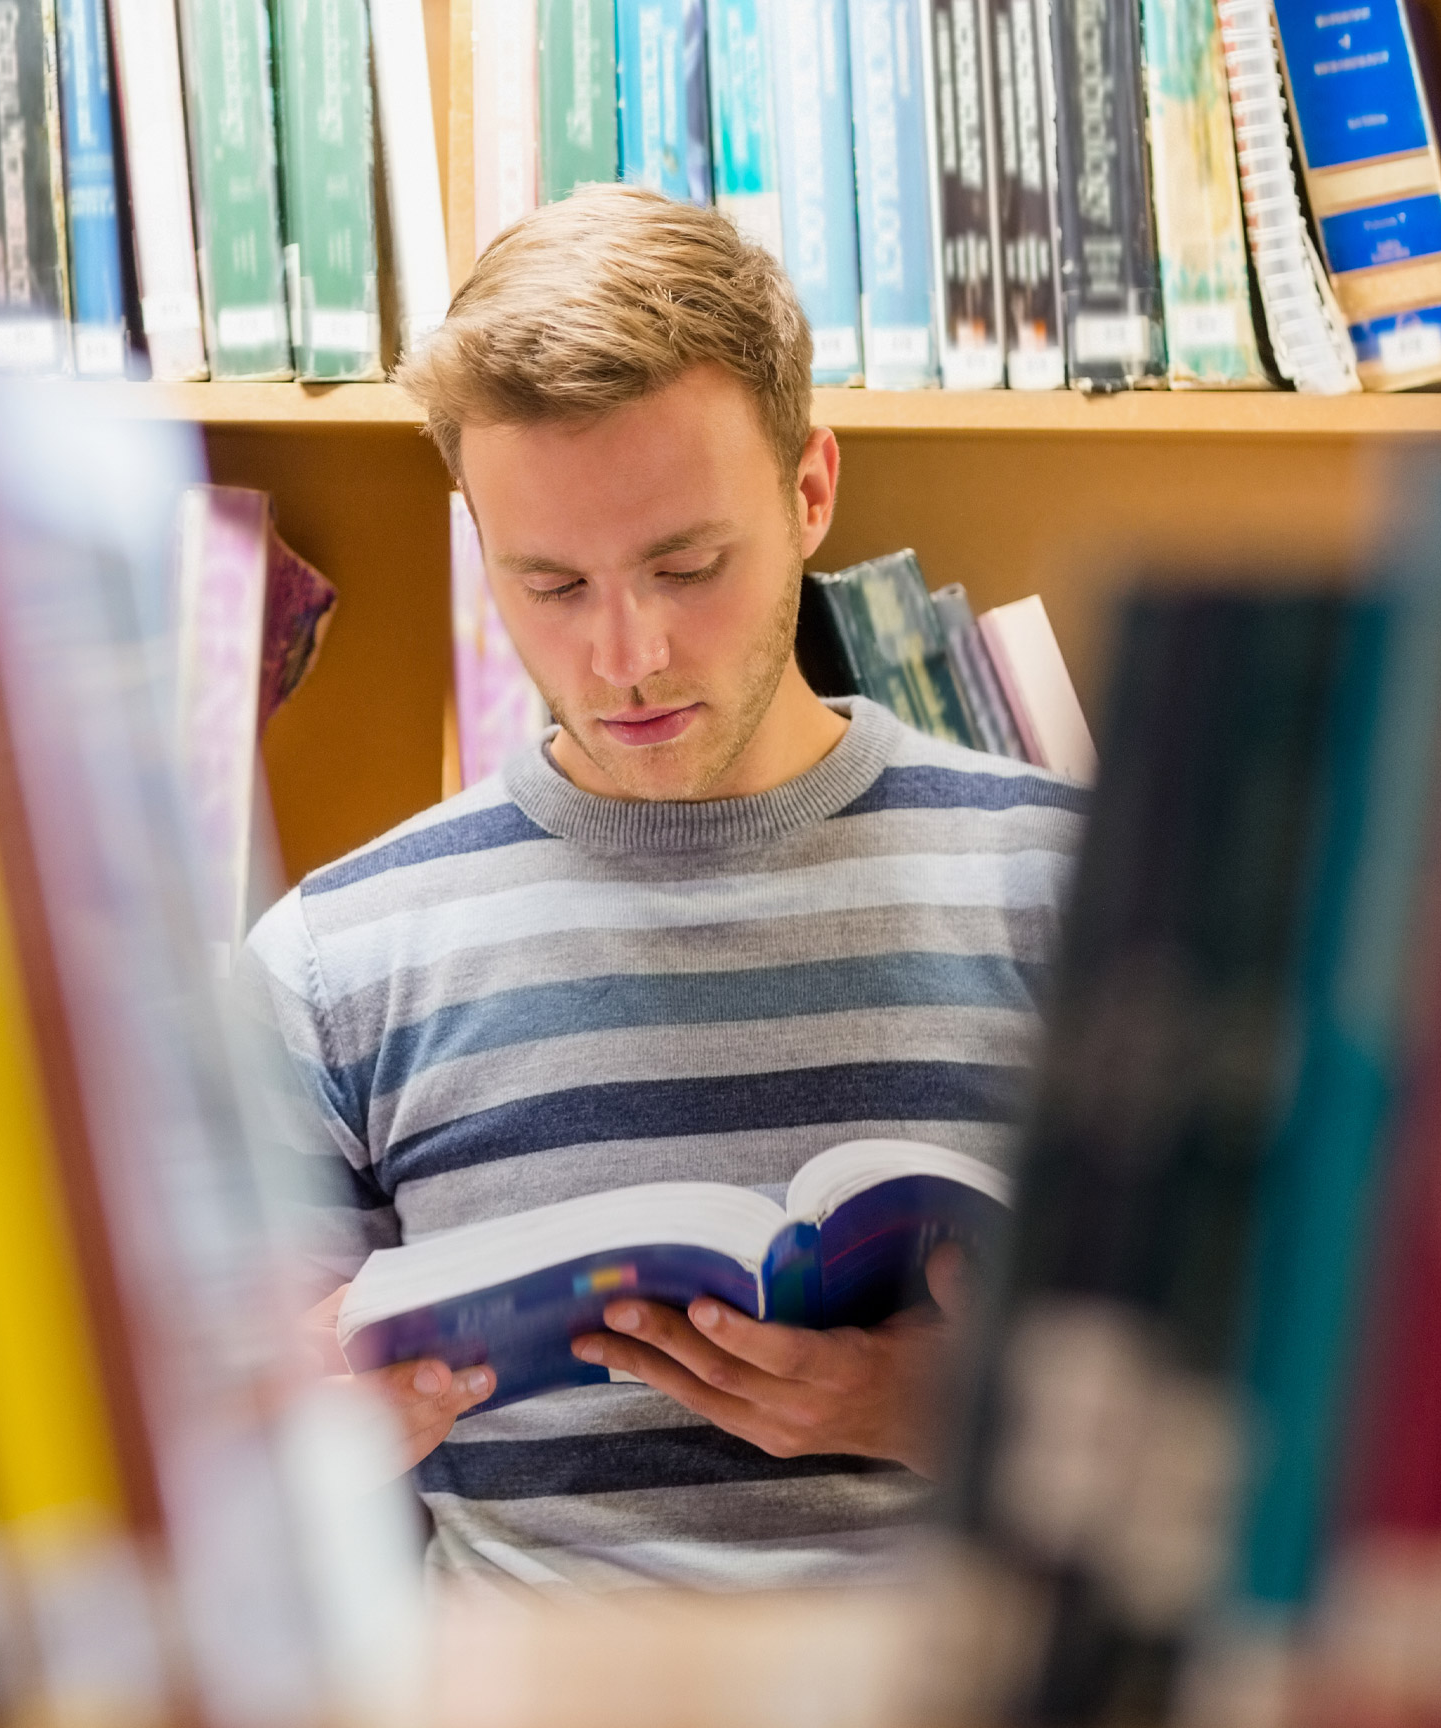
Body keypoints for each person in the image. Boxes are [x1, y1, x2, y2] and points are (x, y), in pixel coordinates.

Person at [246, 184, 1084, 1589]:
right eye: (550, 585)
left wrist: (954, 1416)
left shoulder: (1066, 887)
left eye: (686, 566)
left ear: (812, 491)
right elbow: (193, 1515)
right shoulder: (336, 963)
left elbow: (1284, 1431)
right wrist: (298, 1446)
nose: (625, 655)